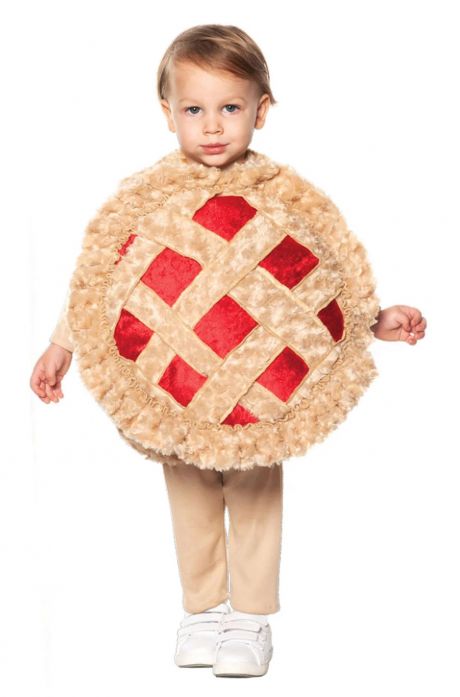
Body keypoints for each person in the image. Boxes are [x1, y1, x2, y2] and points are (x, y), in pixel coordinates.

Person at [29, 24, 427, 678]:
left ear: (261, 110)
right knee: (187, 492)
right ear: (168, 113)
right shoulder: (147, 202)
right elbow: (108, 284)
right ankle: (202, 608)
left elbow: (315, 290)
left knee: (256, 493)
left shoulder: (283, 203)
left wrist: (375, 320)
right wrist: (60, 345)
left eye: (230, 107)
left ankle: (250, 617)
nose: (212, 126)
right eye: (194, 109)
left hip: (258, 396)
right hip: (177, 390)